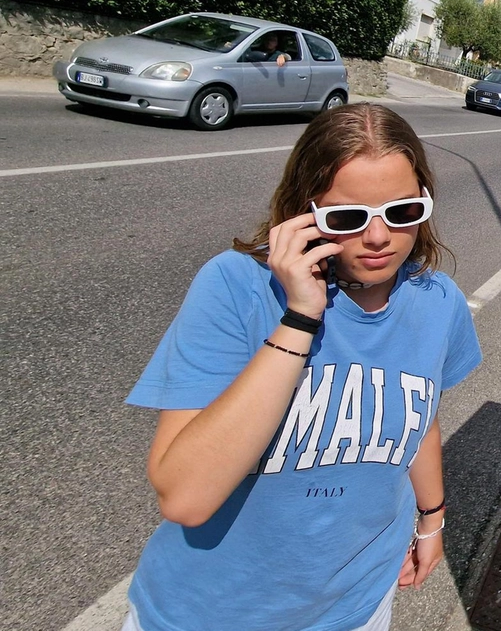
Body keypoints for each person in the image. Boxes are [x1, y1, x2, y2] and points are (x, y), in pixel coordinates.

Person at [121, 103, 482, 630]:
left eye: (402, 211)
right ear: (303, 211)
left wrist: (432, 521)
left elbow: (418, 417)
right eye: (346, 218)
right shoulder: (236, 287)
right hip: (212, 613)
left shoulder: (438, 300)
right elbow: (186, 497)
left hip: (359, 606)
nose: (379, 237)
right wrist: (299, 317)